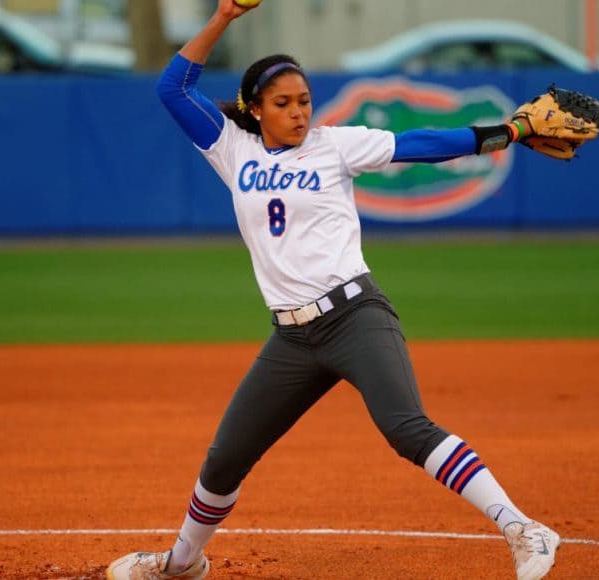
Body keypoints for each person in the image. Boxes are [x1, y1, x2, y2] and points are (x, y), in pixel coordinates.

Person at [106, 1, 560, 578]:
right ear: (255, 109)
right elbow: (173, 89)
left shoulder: (333, 146)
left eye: (303, 101)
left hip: (354, 316)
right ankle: (182, 564)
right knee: (225, 459)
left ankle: (525, 528)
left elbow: (420, 143)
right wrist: (223, 17)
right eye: (283, 103)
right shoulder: (231, 148)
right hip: (291, 339)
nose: (298, 113)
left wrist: (509, 132)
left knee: (406, 427)